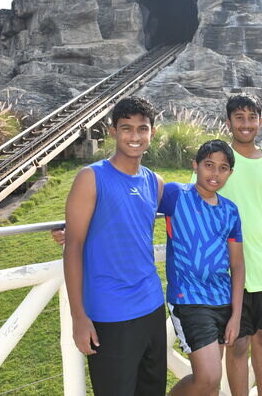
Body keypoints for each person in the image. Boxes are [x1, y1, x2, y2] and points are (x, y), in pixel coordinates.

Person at [62, 96, 167, 396]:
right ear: (113, 132)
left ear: (152, 133)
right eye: (126, 128)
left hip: (152, 307)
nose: (135, 136)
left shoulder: (155, 182)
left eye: (142, 129)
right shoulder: (91, 178)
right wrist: (78, 317)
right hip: (109, 313)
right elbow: (73, 247)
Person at [209, 93, 262, 396]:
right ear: (228, 121)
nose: (245, 124)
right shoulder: (216, 162)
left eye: (251, 117)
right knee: (237, 344)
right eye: (239, 118)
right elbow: (195, 201)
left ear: (260, 121)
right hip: (227, 271)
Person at [161, 140, 245, 396]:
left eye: (223, 168)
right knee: (208, 377)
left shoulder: (230, 211)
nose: (215, 173)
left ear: (230, 172)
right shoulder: (176, 195)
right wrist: (78, 224)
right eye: (209, 165)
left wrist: (236, 315)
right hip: (189, 299)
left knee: (210, 386)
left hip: (222, 301)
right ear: (195, 165)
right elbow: (132, 205)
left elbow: (238, 265)